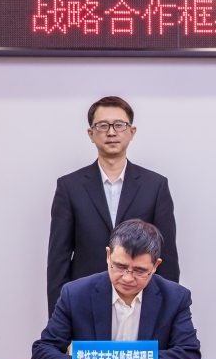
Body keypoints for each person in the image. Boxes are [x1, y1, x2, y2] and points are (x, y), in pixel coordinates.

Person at [46, 96, 180, 317]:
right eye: (102, 126)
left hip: (140, 301)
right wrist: (58, 318)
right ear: (91, 134)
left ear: (132, 132)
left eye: (119, 125)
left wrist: (167, 314)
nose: (111, 132)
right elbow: (58, 260)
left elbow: (167, 257)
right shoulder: (69, 187)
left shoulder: (155, 186)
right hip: (85, 302)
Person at [32, 219, 201, 359]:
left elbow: (188, 353)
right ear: (108, 256)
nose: (128, 278)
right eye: (120, 267)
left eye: (139, 271)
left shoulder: (175, 297)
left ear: (155, 265)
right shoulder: (75, 294)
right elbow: (43, 350)